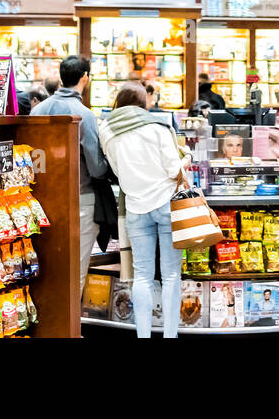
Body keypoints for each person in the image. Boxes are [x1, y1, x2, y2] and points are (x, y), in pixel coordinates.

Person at [99, 81, 186, 338]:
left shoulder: (107, 130)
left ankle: (143, 335)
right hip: (166, 204)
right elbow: (173, 170)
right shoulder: (157, 127)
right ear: (142, 103)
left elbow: (115, 171)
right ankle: (170, 335)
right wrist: (186, 159)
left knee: (142, 276)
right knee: (171, 275)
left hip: (135, 207)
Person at [31, 55, 110, 292]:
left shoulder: (37, 111)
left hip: (42, 200)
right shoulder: (84, 114)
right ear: (85, 78)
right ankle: (71, 326)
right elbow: (96, 169)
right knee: (74, 272)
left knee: (47, 268)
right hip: (80, 201)